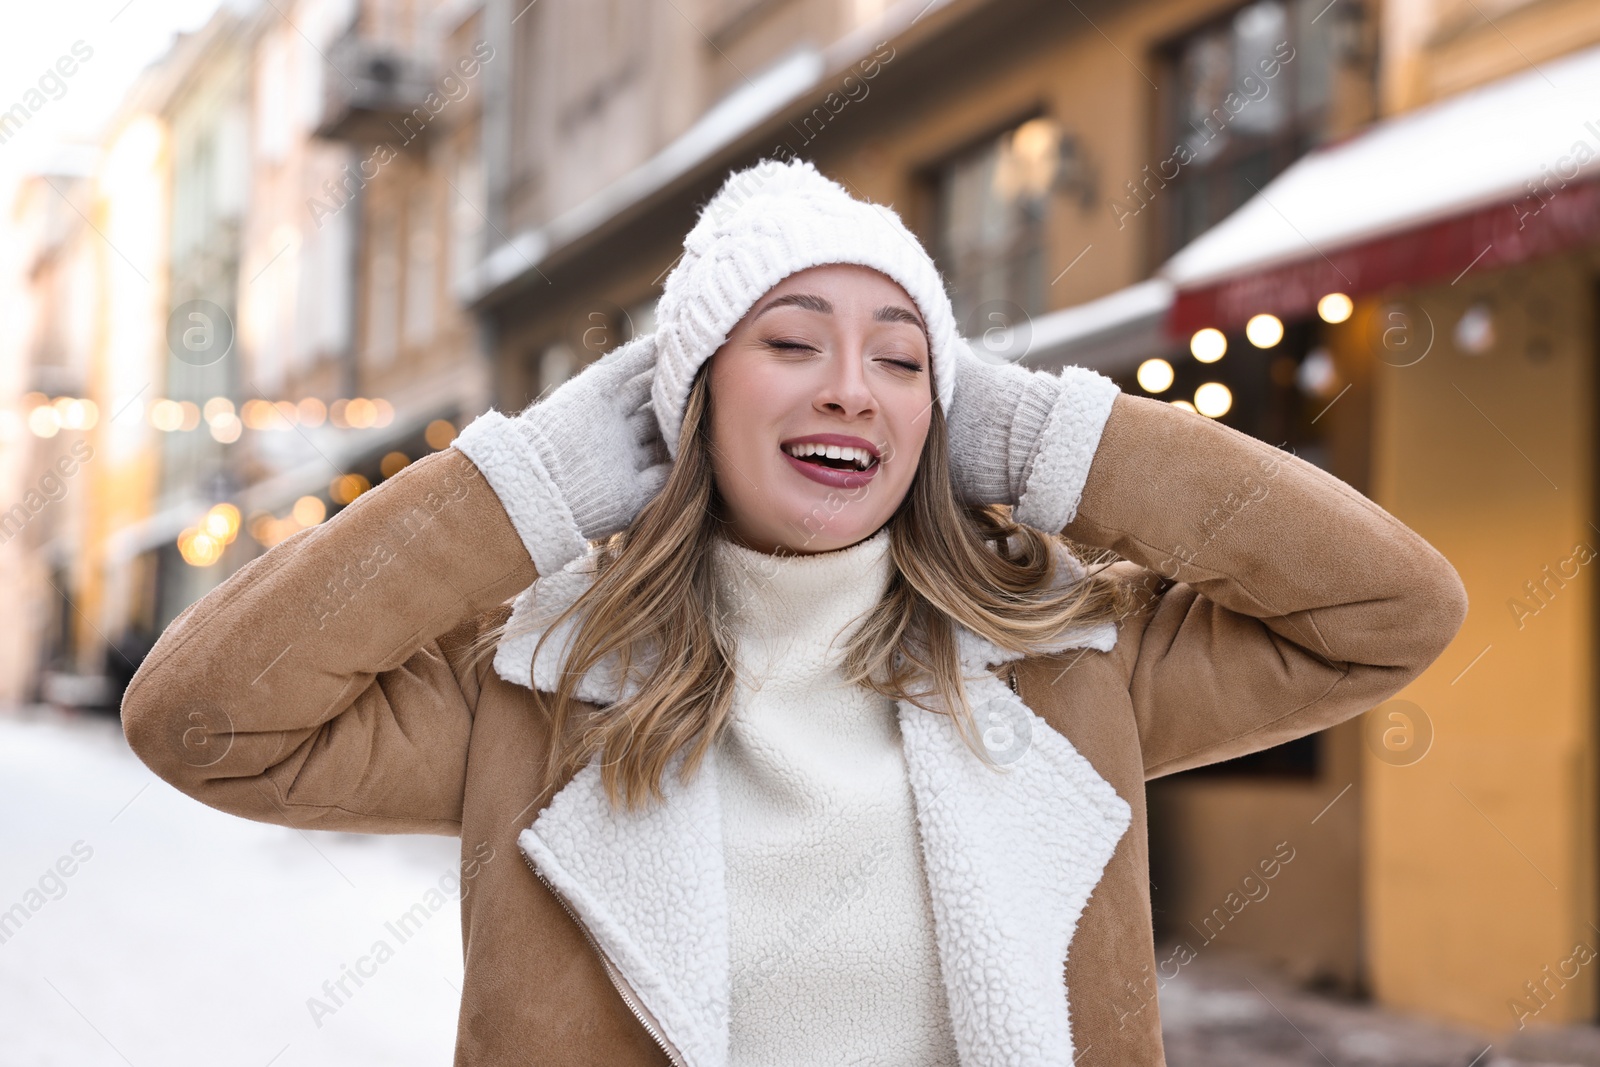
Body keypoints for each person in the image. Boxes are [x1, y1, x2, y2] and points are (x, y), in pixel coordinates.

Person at [121, 158, 1468, 1067]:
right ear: (691, 399)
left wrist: (1043, 434)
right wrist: (528, 483)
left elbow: (1389, 611)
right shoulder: (534, 690)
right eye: (789, 342)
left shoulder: (1063, 668)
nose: (851, 388)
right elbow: (206, 723)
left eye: (900, 358)